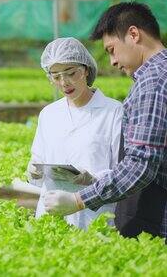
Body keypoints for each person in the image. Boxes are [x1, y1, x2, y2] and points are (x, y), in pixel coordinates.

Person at [43, 2, 167, 245]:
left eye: (112, 49)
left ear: (134, 34)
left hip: (161, 222)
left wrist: (79, 200)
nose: (112, 61)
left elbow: (140, 166)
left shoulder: (154, 83)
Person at [27, 37, 122, 229]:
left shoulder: (113, 112)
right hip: (51, 216)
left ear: (86, 69)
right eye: (56, 76)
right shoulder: (49, 114)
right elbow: (38, 160)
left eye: (71, 73)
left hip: (94, 218)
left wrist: (93, 179)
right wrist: (33, 172)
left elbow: (124, 172)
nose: (64, 82)